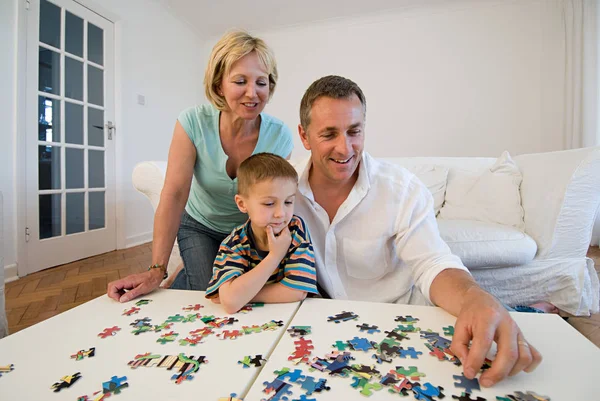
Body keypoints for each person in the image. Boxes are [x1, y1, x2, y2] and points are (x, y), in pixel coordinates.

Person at [292, 75, 542, 387]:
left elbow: (432, 262)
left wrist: (474, 296)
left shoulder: (401, 188)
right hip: (333, 325)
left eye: (354, 131)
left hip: (398, 319)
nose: (345, 148)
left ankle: (532, 310)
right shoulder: (284, 189)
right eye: (329, 134)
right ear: (304, 136)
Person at [107, 30, 293, 303]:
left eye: (261, 83)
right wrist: (157, 270)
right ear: (219, 85)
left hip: (247, 231)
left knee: (241, 291)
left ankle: (188, 272)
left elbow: (279, 198)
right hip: (200, 225)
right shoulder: (192, 122)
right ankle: (190, 267)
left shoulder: (280, 135)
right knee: (212, 293)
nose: (252, 93)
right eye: (240, 81)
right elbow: (173, 194)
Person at [204, 153, 319, 313]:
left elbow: (298, 291)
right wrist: (274, 257)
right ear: (242, 204)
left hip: (294, 317)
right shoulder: (234, 244)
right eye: (269, 203)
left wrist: (243, 295)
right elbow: (230, 303)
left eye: (288, 202)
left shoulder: (295, 230)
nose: (281, 213)